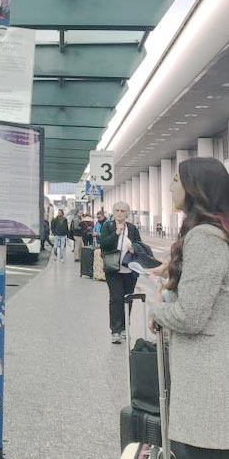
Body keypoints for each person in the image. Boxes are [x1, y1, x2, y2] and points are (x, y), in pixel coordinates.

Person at [149, 157, 229, 458]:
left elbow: (191, 316)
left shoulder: (204, 237)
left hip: (208, 379)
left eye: (175, 180)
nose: (170, 187)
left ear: (195, 188)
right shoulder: (216, 231)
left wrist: (157, 310)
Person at [100, 200, 141, 344]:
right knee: (116, 298)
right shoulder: (108, 226)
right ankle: (115, 330)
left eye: (122, 211)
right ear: (113, 212)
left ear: (127, 213)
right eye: (117, 210)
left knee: (128, 299)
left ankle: (125, 328)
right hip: (113, 269)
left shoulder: (133, 229)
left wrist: (134, 249)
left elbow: (139, 245)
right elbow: (104, 244)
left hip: (130, 270)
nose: (119, 213)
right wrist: (116, 233)